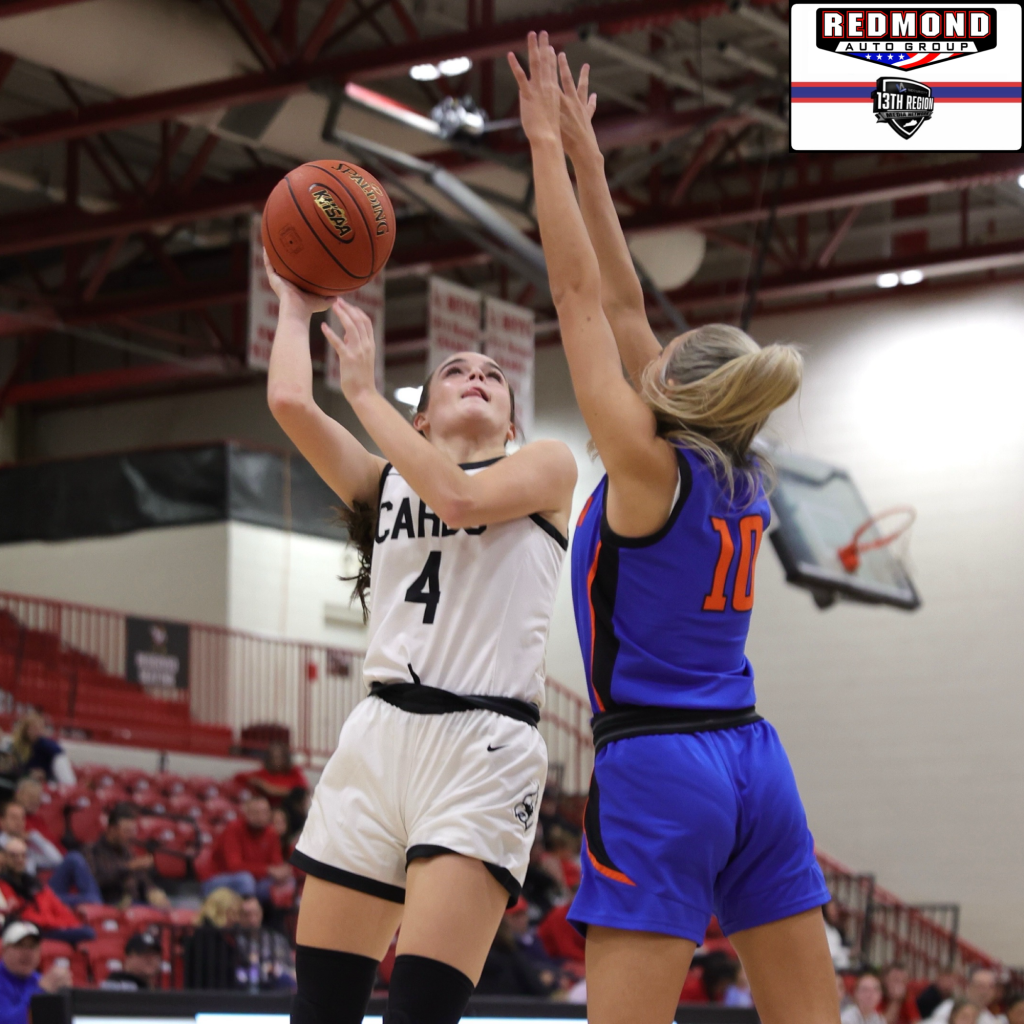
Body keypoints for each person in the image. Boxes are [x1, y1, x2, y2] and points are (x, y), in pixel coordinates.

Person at [509, 32, 834, 1024]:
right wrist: (590, 158)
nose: (651, 336)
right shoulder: (741, 471)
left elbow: (580, 296)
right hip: (755, 761)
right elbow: (618, 298)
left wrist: (541, 146)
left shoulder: (647, 466)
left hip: (661, 764)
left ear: (677, 388)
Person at [262, 225, 576, 1024]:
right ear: (427, 417)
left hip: (485, 745)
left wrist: (367, 394)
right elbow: (291, 403)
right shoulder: (383, 483)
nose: (478, 377)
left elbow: (460, 500)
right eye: (456, 372)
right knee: (319, 1011)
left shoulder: (544, 466)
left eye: (493, 376)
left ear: (511, 424)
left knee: (419, 1016)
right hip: (379, 737)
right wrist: (294, 304)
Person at [0, 838, 94, 945]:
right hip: (31, 931)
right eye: (13, 856)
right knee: (86, 932)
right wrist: (55, 924)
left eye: (23, 855)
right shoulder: (3, 885)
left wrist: (63, 925)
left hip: (50, 927)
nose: (19, 860)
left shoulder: (35, 884)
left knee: (86, 931)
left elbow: (61, 910)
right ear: (4, 857)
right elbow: (24, 917)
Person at [202, 795, 292, 901]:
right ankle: (249, 909)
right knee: (245, 879)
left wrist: (282, 871)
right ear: (246, 813)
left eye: (265, 812)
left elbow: (276, 864)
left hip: (256, 881)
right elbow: (234, 867)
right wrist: (268, 870)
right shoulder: (233, 829)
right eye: (256, 812)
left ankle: (282, 911)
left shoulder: (271, 833)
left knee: (287, 881)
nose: (261, 817)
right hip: (219, 879)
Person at [84, 804, 167, 907]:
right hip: (111, 904)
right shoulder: (92, 850)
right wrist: (128, 867)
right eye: (127, 831)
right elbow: (96, 882)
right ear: (112, 829)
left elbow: (143, 879)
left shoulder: (127, 851)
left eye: (133, 831)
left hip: (136, 904)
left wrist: (153, 892)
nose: (131, 835)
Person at [0, 921, 71, 1024]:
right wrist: (40, 993)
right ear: (4, 950)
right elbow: (6, 1021)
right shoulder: (43, 985)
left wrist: (64, 996)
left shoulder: (38, 979)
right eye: (20, 945)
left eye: (33, 947)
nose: (27, 953)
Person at [235, 895, 296, 991]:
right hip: (252, 990)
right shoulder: (236, 942)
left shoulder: (276, 939)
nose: (252, 920)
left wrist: (279, 970)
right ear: (239, 917)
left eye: (256, 914)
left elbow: (292, 968)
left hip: (282, 989)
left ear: (261, 913)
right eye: (247, 915)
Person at [0, 803, 61, 877]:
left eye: (22, 818)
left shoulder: (28, 846)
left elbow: (56, 860)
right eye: (14, 818)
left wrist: (35, 837)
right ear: (2, 821)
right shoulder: (1, 847)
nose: (19, 822)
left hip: (29, 882)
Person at [926, 968, 1003, 1024]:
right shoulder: (948, 1007)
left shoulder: (990, 1019)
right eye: (980, 986)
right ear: (969, 987)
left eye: (989, 987)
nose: (984, 992)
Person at [243, 743, 308, 808]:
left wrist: (266, 787)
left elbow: (302, 792)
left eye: (279, 757)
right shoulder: (262, 773)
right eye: (273, 757)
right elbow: (243, 778)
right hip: (267, 810)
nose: (276, 761)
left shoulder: (294, 773)